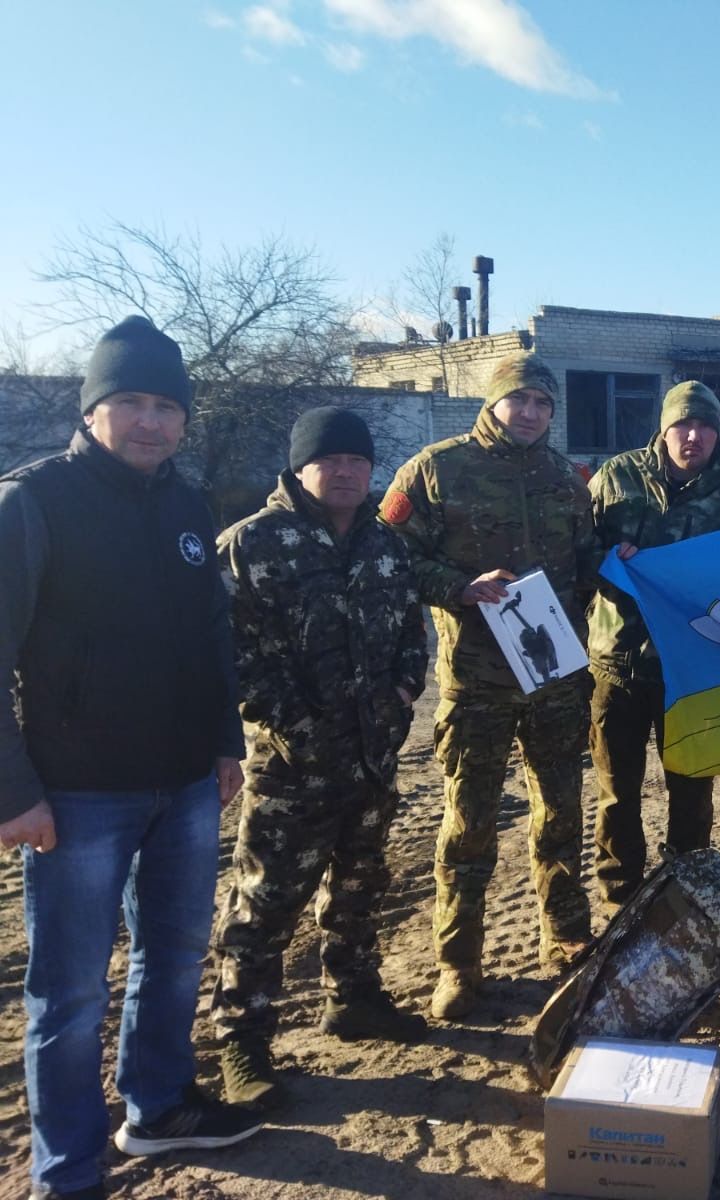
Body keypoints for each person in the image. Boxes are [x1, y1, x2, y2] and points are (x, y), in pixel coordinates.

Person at [0, 316, 263, 1200]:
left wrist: (224, 743)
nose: (150, 421)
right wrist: (12, 791)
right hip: (76, 794)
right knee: (71, 992)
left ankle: (158, 1108)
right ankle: (68, 1171)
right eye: (129, 402)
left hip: (185, 783)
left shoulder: (189, 507)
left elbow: (209, 636)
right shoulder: (31, 503)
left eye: (165, 405)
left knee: (176, 952)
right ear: (93, 408)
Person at [211, 408, 430, 1110]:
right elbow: (231, 657)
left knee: (362, 885)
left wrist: (402, 692)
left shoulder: (384, 543)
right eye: (330, 459)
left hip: (373, 758)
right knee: (265, 906)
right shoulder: (252, 544)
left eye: (358, 462)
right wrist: (295, 727)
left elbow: (409, 631)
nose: (345, 472)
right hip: (291, 769)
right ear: (300, 466)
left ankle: (355, 997)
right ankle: (243, 1044)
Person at [381, 353, 601, 1021]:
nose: (530, 412)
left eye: (542, 402)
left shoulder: (567, 477)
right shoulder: (436, 469)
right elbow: (386, 552)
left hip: (554, 679)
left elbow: (585, 562)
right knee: (469, 828)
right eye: (519, 400)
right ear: (493, 402)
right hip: (476, 682)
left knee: (561, 817)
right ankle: (459, 965)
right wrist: (455, 589)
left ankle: (564, 939)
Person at [588, 381, 720, 916]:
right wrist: (607, 556)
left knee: (691, 790)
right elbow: (574, 543)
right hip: (618, 663)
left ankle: (686, 889)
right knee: (618, 790)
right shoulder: (615, 479)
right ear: (663, 428)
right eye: (683, 424)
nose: (694, 436)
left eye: (705, 426)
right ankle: (620, 894)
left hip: (693, 669)